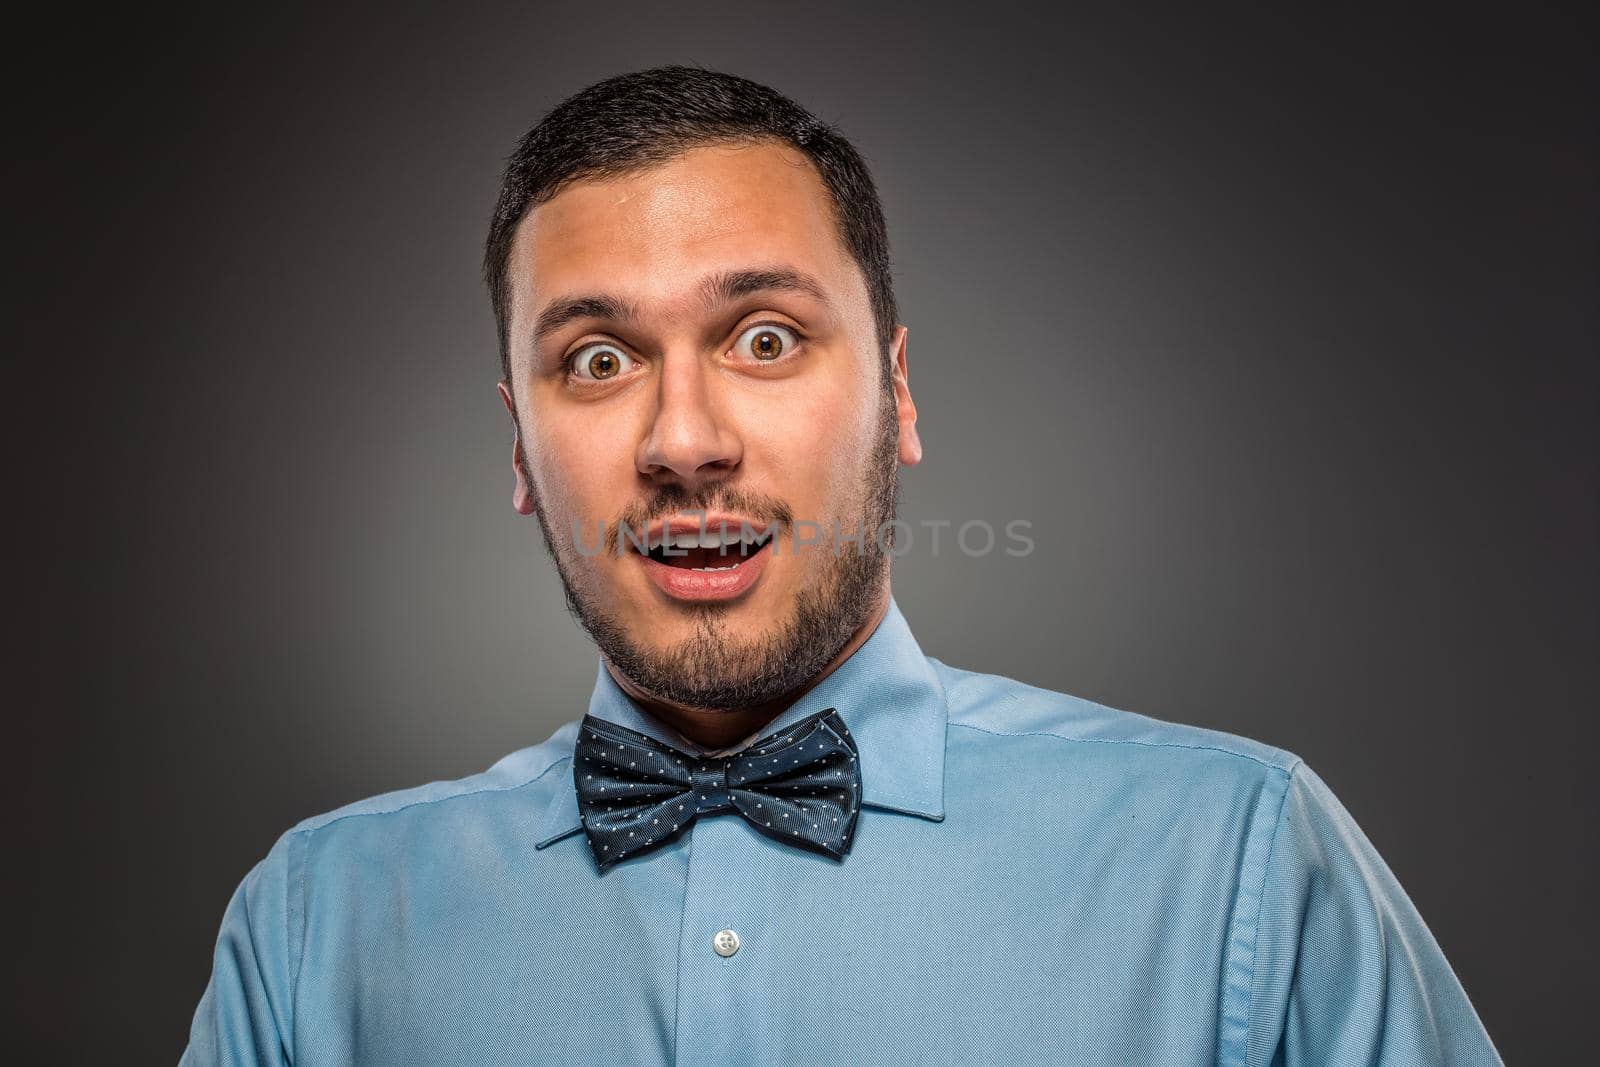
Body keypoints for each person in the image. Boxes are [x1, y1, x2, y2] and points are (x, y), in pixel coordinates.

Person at [182, 65, 1504, 1066]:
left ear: (898, 391)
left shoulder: (1236, 864)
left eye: (763, 339)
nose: (684, 444)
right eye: (597, 359)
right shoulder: (313, 928)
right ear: (520, 447)